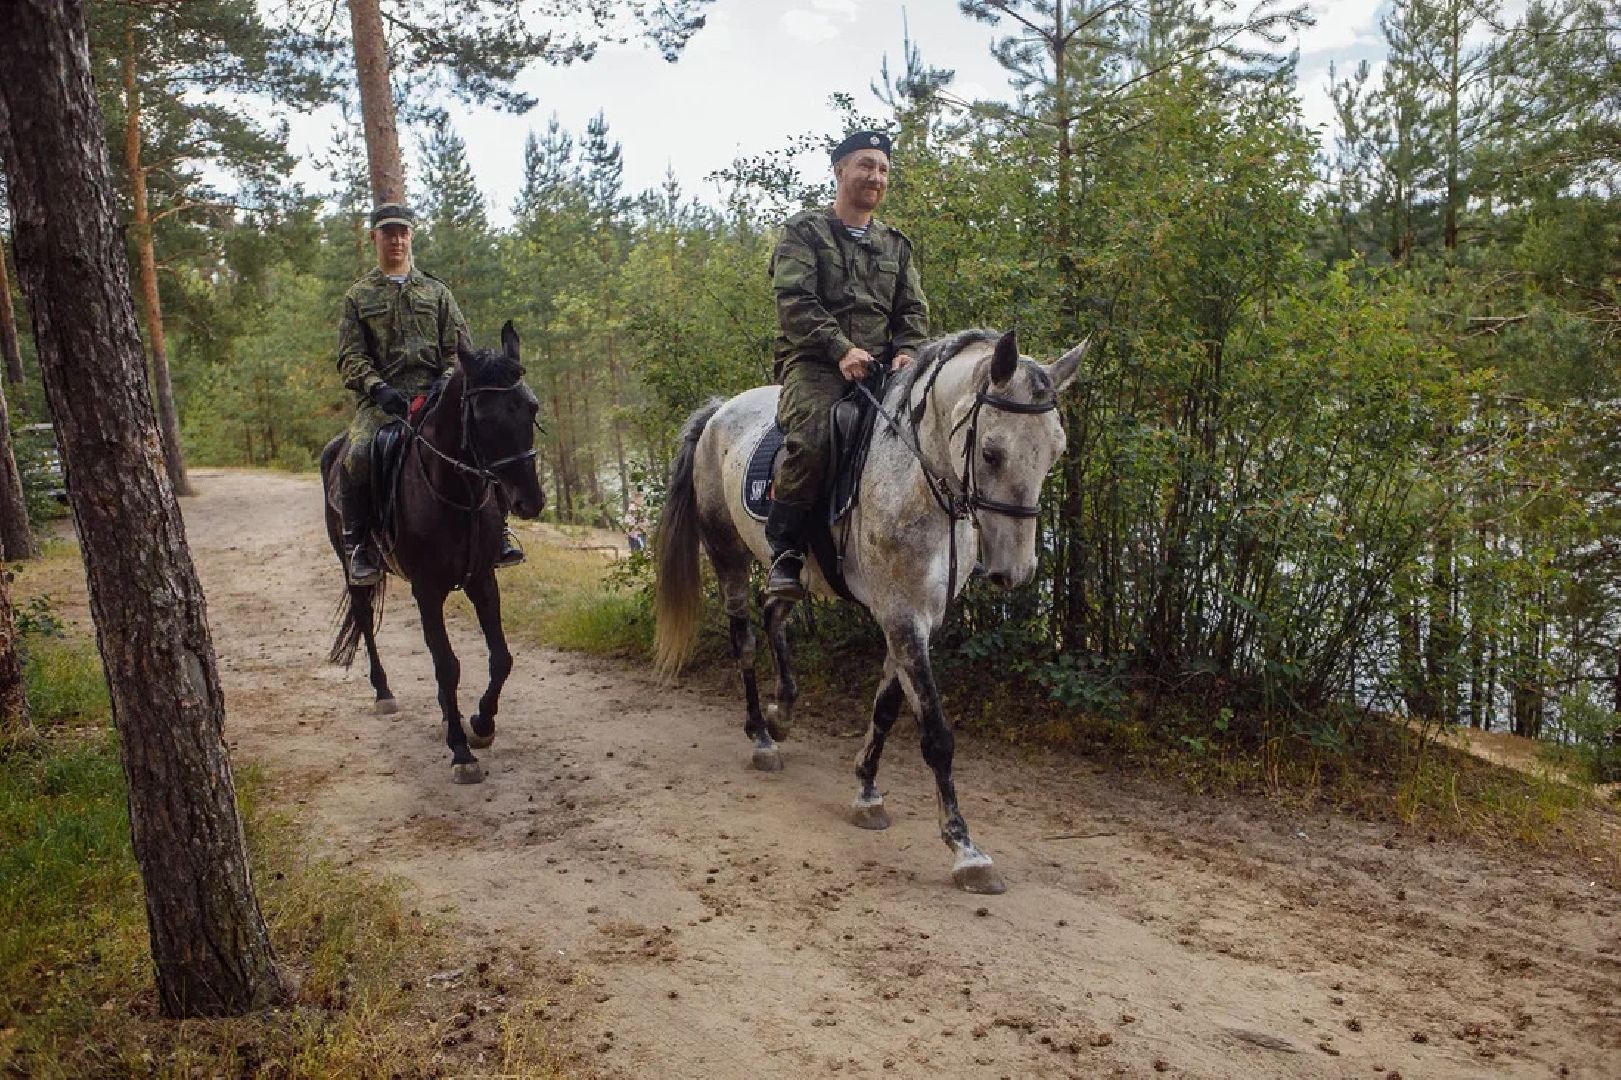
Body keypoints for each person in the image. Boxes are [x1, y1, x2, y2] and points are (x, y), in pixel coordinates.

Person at [765, 129, 929, 599]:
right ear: (840, 171)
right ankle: (786, 550)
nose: (875, 176)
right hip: (814, 362)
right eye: (865, 165)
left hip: (883, 367)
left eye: (882, 169)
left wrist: (908, 350)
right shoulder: (804, 232)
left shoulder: (896, 246)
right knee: (815, 436)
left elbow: (912, 309)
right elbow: (794, 301)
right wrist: (840, 349)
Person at [335, 202, 523, 587]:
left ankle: (498, 532)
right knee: (356, 455)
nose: (397, 240)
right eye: (388, 233)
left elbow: (460, 347)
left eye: (403, 232)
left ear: (411, 236)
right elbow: (351, 358)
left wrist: (448, 379)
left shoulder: (437, 292)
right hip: (382, 405)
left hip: (437, 396)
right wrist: (377, 388)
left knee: (484, 439)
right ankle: (360, 546)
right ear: (375, 238)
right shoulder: (358, 297)